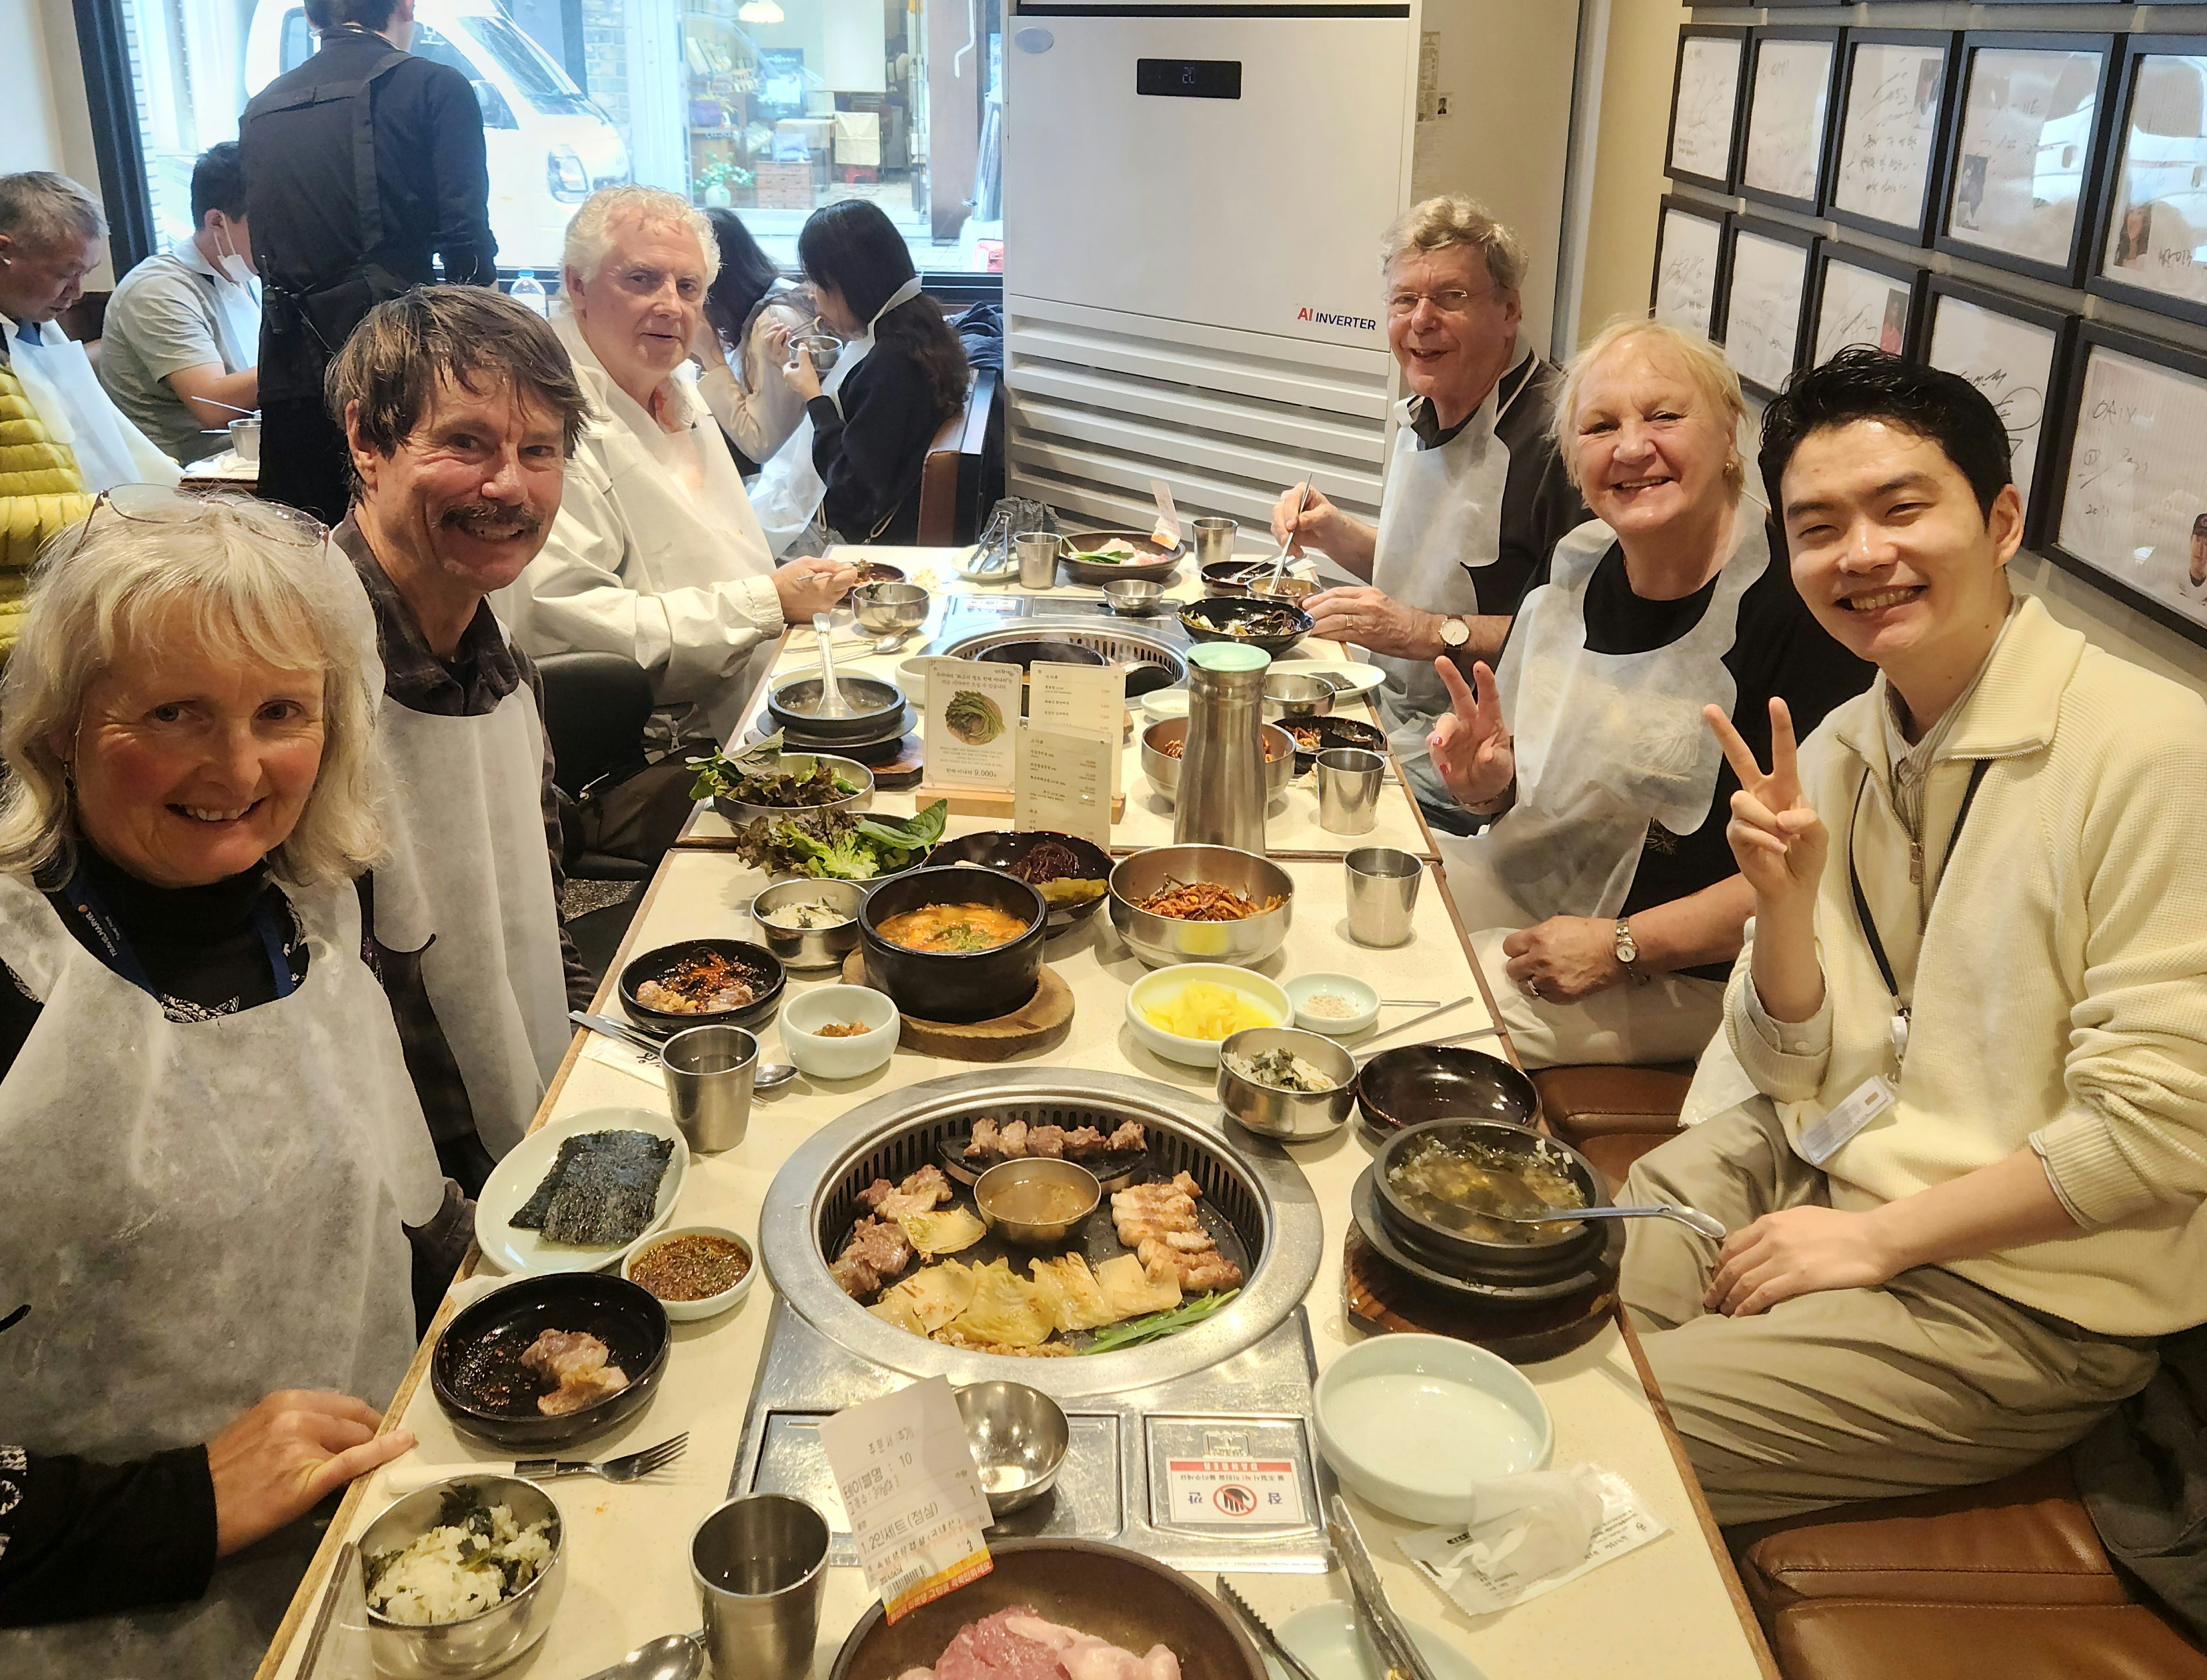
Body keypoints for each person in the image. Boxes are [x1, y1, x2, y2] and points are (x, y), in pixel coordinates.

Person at [1620, 348, 2207, 1524]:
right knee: (1521, 1327)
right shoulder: (1842, 743)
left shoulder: (2152, 750)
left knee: (1597, 1435)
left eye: (1902, 507)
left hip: (2016, 1290)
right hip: (1805, 1152)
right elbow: (1791, 1069)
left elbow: (2158, 1134)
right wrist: (1782, 906)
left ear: (1998, 519)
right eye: (1820, 524)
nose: (1864, 554)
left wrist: (1876, 1238)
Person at [0, 493, 444, 1674]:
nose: (239, 766)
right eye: (174, 711)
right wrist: (182, 1502)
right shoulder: (15, 982)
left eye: (281, 711)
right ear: (60, 728)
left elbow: (389, 1211)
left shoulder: (306, 919)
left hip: (384, 1571)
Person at [1427, 319, 1870, 1082]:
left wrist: (1621, 944)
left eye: (1664, 416)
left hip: (1696, 968)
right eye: (1601, 426)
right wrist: (1491, 787)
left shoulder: (1799, 607)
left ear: (1730, 431)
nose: (1632, 448)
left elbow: (1822, 874)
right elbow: (1535, 788)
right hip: (1543, 884)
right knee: (1373, 907)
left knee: (1439, 1009)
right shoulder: (1580, 567)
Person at [331, 286, 596, 1179]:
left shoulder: (501, 660)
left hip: (534, 1125)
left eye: (539, 452)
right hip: (407, 1190)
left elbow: (537, 889)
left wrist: (598, 1069)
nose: (510, 487)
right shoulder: (295, 676)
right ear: (368, 439)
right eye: (466, 443)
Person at [495, 186, 854, 748]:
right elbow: (572, 631)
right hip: (655, 748)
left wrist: (788, 591)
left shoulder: (676, 384)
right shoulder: (539, 421)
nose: (671, 305)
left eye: (689, 287)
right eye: (641, 279)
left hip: (754, 688)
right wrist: (769, 600)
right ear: (577, 285)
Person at [1267, 195, 1585, 828]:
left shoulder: (1565, 436)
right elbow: (1435, 563)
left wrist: (1425, 632)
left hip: (1497, 765)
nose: (1422, 321)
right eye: (1404, 300)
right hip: (1394, 711)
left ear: (1510, 309)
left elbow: (1576, 639)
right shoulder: (1433, 401)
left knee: (1285, 805)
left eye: (1452, 297)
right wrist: (1337, 535)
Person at [239, 0, 496, 526]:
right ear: (405, 7)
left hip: (291, 362)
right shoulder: (434, 87)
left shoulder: (263, 107)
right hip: (400, 361)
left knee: (306, 543)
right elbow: (466, 246)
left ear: (313, 19)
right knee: (408, 542)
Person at [753, 198, 969, 554]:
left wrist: (815, 398)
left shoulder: (892, 363)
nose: (812, 294)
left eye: (818, 283)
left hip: (850, 538)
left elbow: (852, 488)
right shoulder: (917, 324)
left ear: (850, 284)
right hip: (859, 516)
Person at [0, 172, 181, 511]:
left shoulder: (38, 323)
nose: (78, 292)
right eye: (66, 274)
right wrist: (89, 514)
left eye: (86, 274)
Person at [97, 144, 263, 464]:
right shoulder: (159, 290)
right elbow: (212, 405)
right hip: (190, 478)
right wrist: (309, 358)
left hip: (245, 459)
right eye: (265, 224)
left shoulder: (244, 274)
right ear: (217, 222)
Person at [693, 207, 810, 472]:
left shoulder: (773, 322)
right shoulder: (773, 296)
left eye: (688, 283)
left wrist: (711, 357)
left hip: (790, 486)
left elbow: (760, 444)